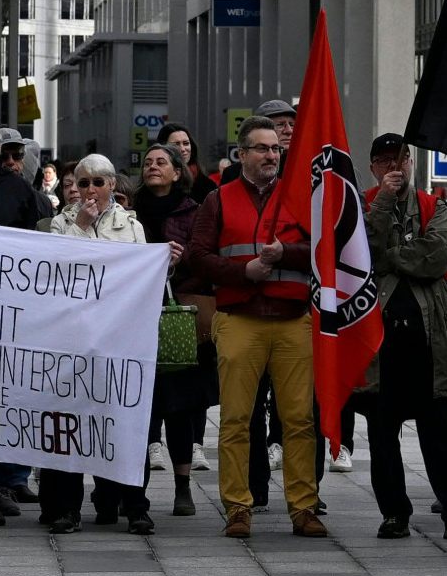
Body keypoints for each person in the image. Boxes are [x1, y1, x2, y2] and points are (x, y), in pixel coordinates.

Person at [185, 117, 326, 539]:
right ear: (241, 154)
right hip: (239, 320)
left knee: (299, 420)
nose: (271, 155)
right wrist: (242, 271)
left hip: (291, 321)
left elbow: (323, 251)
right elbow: (197, 256)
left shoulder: (299, 196)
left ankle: (303, 507)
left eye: (275, 149)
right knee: (236, 420)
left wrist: (285, 254)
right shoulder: (218, 200)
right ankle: (237, 507)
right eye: (262, 149)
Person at [359, 134, 447, 543]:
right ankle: (394, 513)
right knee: (382, 434)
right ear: (373, 166)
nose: (394, 168)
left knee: (441, 433)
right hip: (381, 343)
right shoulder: (363, 203)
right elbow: (361, 252)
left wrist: (391, 256)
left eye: (400, 159)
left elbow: (436, 257)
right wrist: (382, 208)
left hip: (431, 342)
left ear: (411, 161)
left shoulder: (434, 206)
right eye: (384, 162)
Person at [40, 154, 152, 536]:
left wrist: (164, 263)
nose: (89, 190)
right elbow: (57, 270)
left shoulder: (130, 225)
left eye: (97, 183)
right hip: (73, 338)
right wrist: (82, 228)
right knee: (69, 425)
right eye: (83, 183)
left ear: (111, 186)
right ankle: (66, 509)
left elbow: (139, 276)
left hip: (118, 338)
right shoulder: (60, 222)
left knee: (123, 423)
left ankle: (132, 505)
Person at [131, 141, 209, 516]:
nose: (153, 167)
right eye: (148, 162)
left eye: (161, 162)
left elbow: (204, 257)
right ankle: (135, 489)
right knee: (141, 405)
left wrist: (180, 260)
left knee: (179, 405)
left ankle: (183, 486)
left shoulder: (194, 212)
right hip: (134, 317)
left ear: (178, 172)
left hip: (177, 318)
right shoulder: (128, 210)